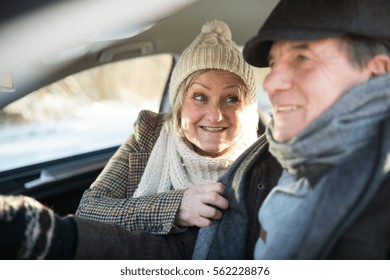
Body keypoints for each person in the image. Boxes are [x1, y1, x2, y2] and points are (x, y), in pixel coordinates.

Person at [0, 20, 261, 260]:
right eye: (200, 97)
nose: (215, 115)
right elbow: (90, 210)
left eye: (232, 98)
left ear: (248, 106)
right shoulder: (150, 132)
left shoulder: (263, 156)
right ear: (180, 103)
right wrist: (176, 207)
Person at [193, 0, 390, 259]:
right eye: (274, 63)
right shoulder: (279, 154)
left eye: (303, 58)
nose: (271, 83)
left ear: (379, 71)